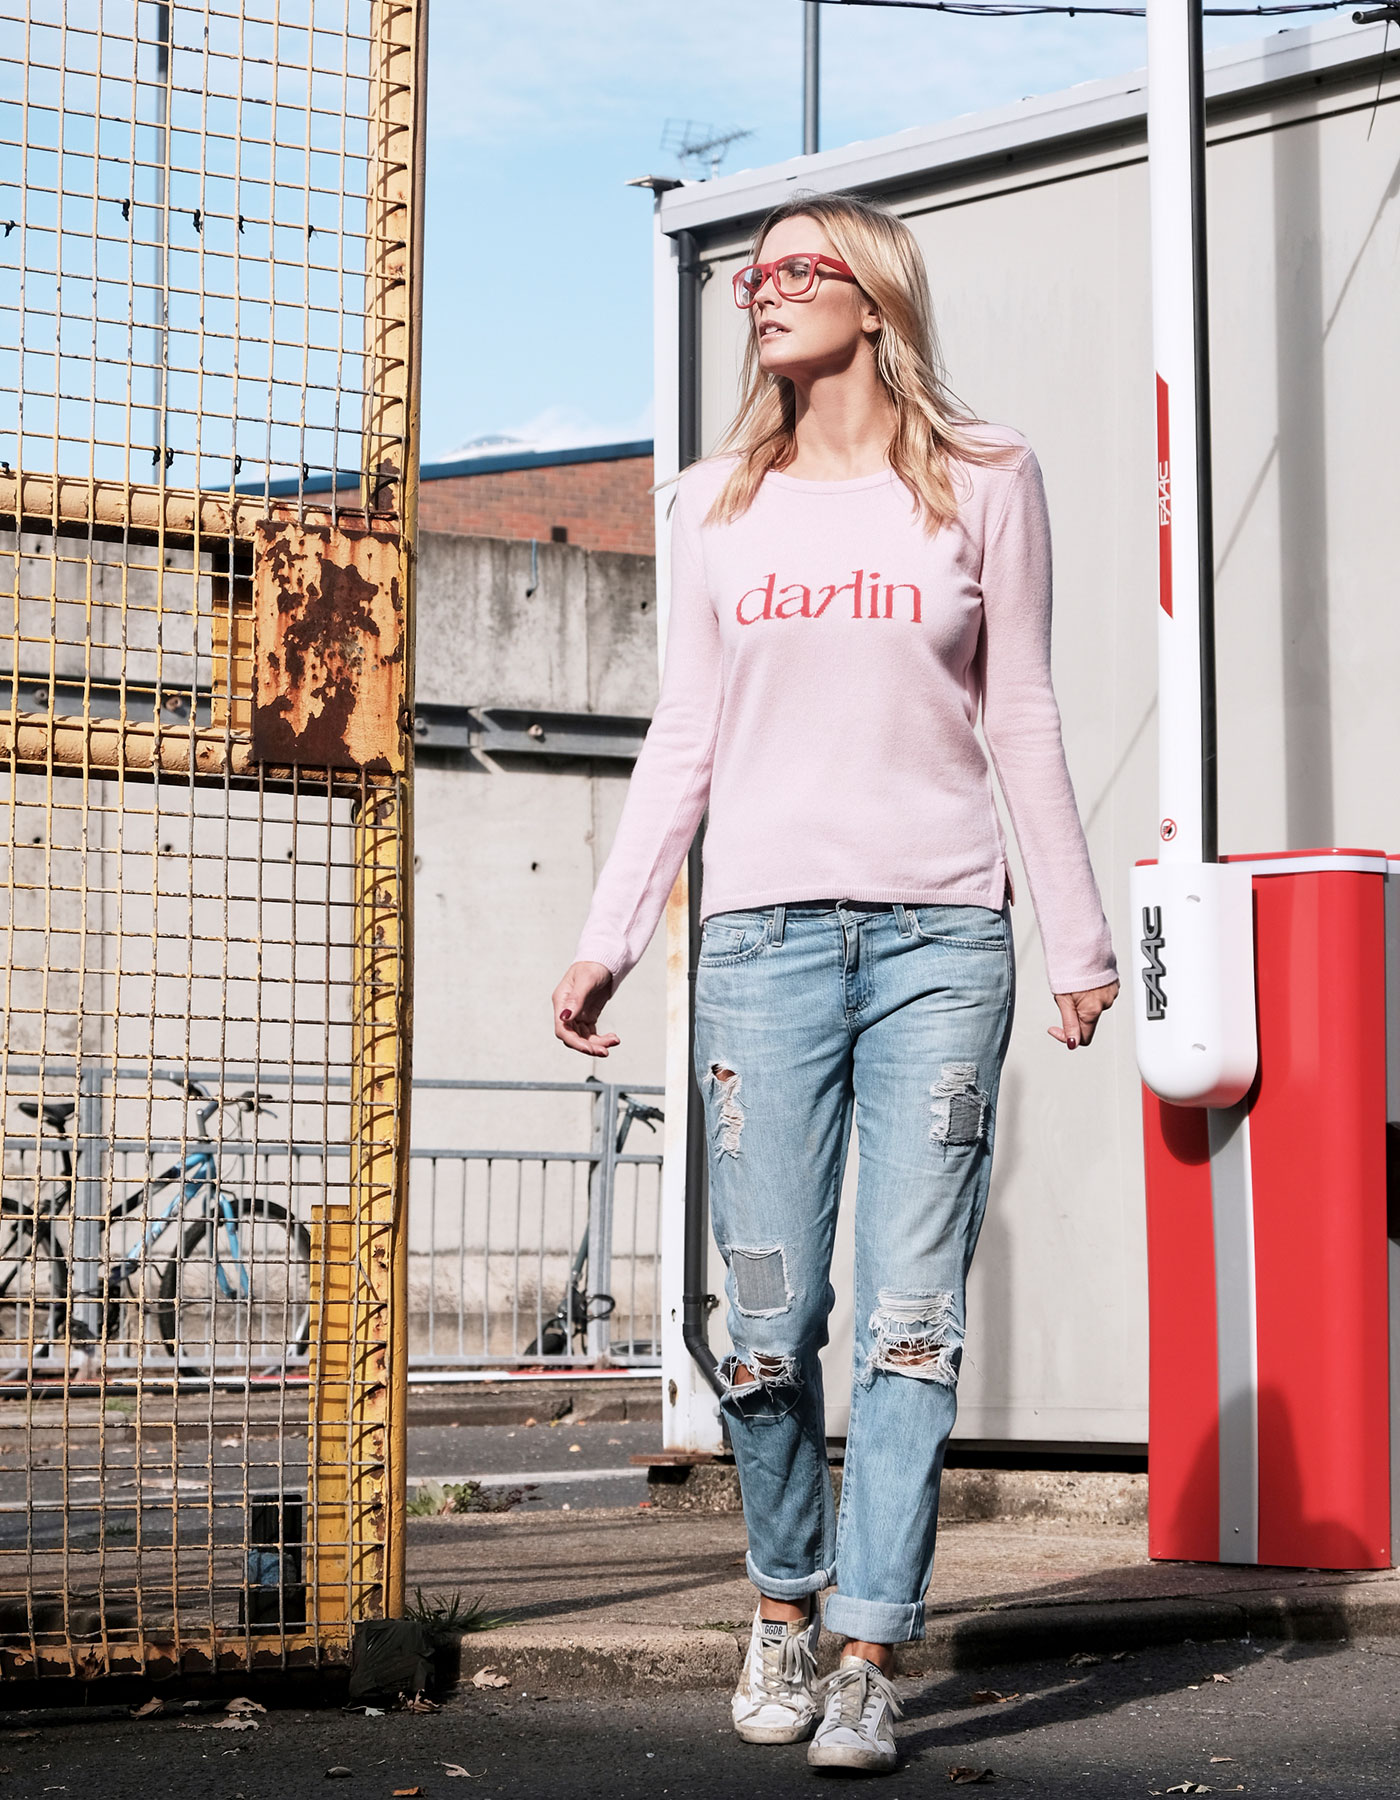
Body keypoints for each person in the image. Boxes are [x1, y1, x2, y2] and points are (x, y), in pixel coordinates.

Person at [551, 191, 1118, 1775]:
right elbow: (686, 735)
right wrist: (613, 931)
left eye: (799, 269)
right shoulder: (713, 502)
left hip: (944, 940)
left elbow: (1028, 714)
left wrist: (1074, 936)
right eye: (755, 274)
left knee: (913, 1317)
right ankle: (783, 1602)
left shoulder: (989, 478)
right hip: (763, 946)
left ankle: (871, 1644)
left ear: (875, 298)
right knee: (764, 1320)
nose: (764, 293)